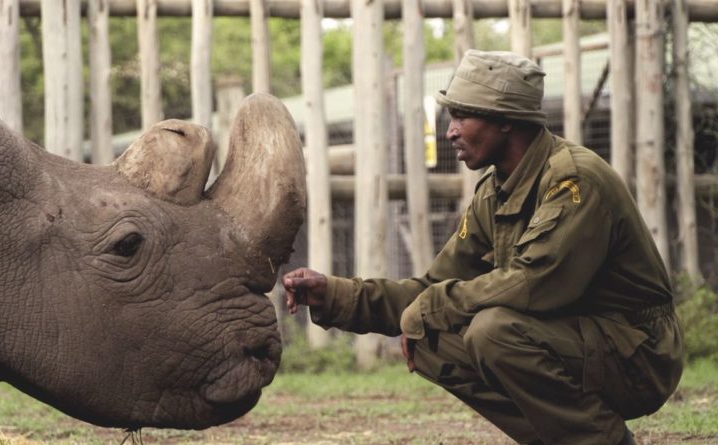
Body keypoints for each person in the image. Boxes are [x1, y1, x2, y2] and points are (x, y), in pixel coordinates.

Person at [282, 49, 683, 445]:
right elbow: (433, 287)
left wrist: (432, 304)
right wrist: (335, 294)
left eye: (461, 116)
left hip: (639, 355)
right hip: (576, 343)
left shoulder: (574, 181)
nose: (450, 131)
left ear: (506, 120)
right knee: (430, 341)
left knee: (492, 332)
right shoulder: (495, 191)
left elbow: (534, 286)